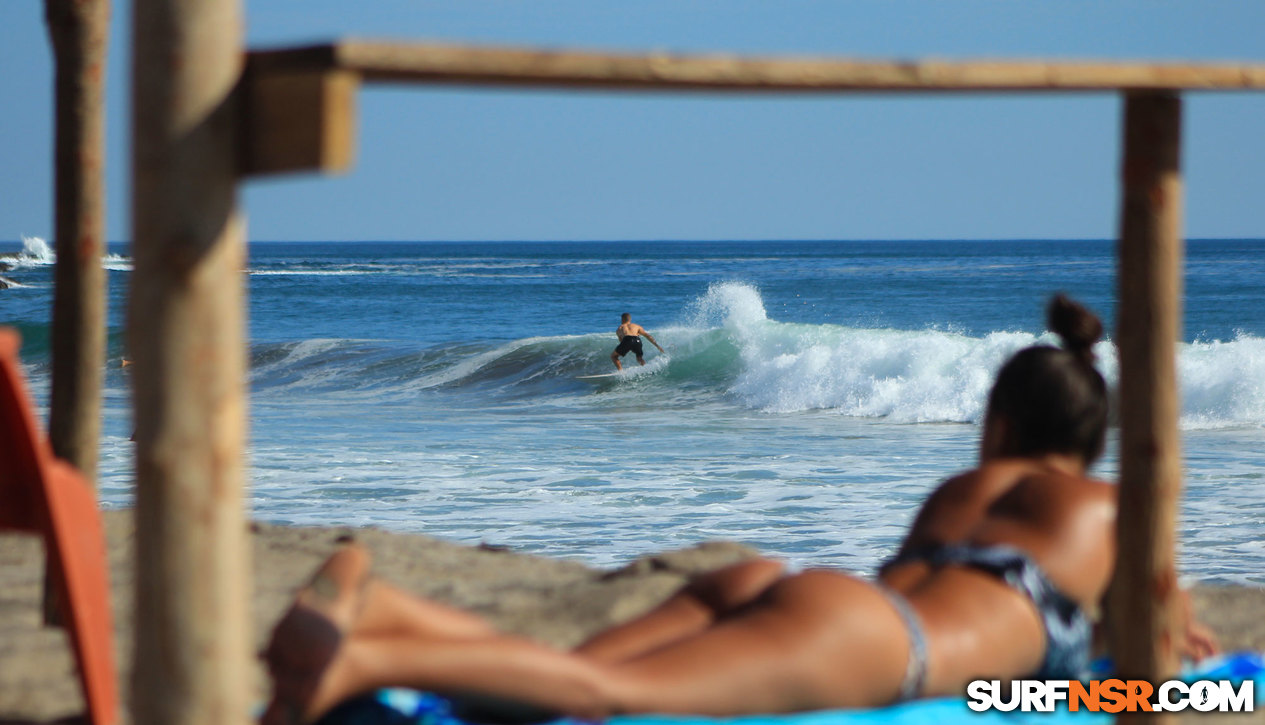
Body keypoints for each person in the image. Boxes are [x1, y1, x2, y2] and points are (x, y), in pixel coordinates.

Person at [262, 295, 1212, 725]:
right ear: (1089, 438)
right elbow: (1156, 661)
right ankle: (365, 659)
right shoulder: (1114, 508)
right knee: (607, 701)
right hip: (877, 642)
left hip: (797, 587)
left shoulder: (959, 490)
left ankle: (383, 607)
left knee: (566, 681)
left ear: (997, 417)